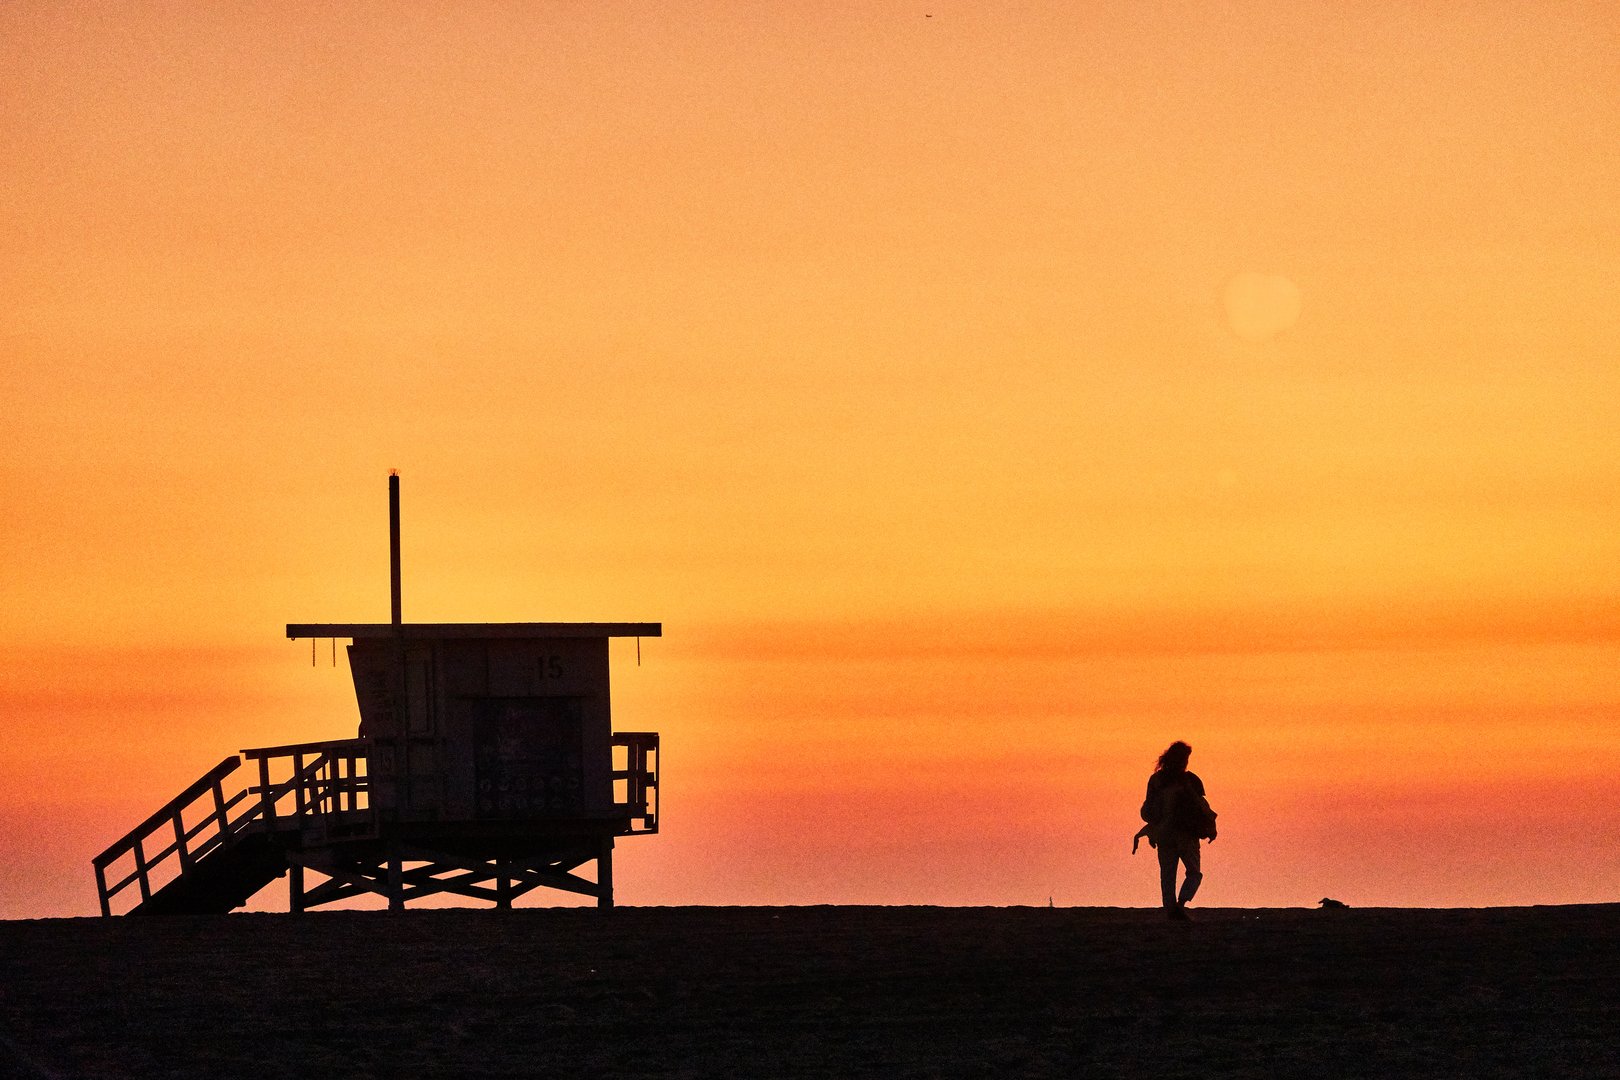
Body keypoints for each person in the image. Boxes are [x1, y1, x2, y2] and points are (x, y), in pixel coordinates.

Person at [1138, 740, 1209, 920]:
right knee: (1193, 872)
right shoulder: (1191, 780)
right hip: (1184, 835)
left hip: (1166, 834)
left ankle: (1172, 909)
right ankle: (1179, 905)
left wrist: (1153, 830)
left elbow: (1148, 810)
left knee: (1168, 875)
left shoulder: (1157, 780)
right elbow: (1203, 808)